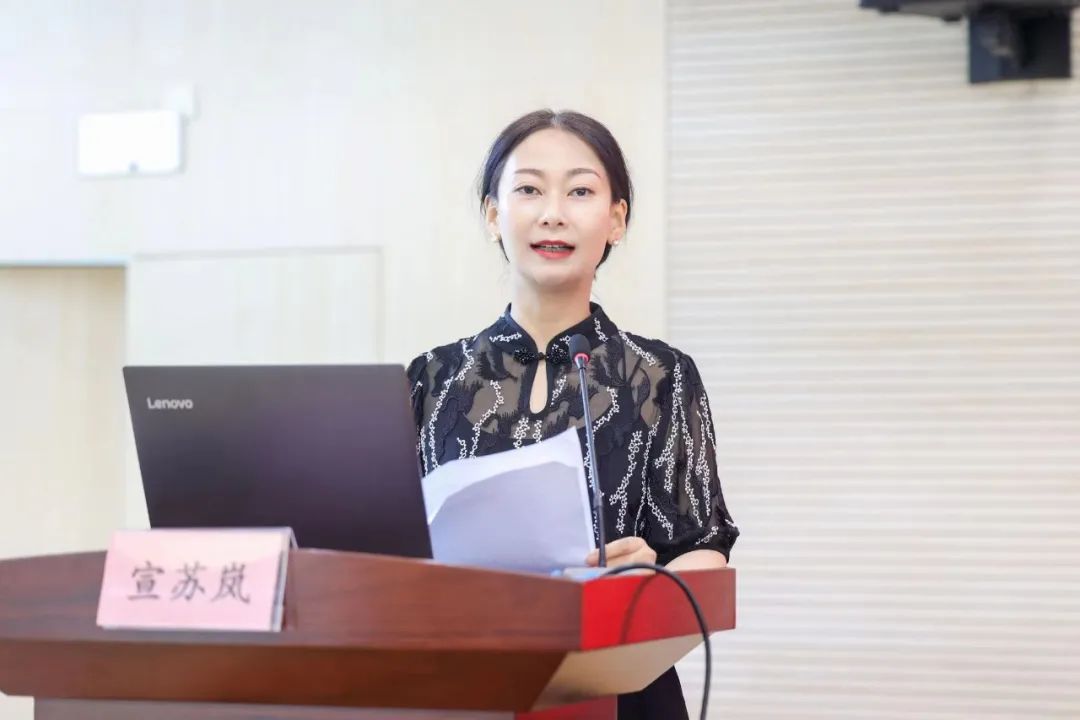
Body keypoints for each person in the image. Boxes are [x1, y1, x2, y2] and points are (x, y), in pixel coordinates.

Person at [407, 109, 739, 719]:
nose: (553, 213)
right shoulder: (431, 378)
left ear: (616, 219)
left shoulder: (660, 375)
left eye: (580, 191)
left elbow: (702, 548)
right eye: (529, 189)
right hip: (462, 690)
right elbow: (390, 553)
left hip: (621, 688)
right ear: (493, 214)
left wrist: (649, 584)